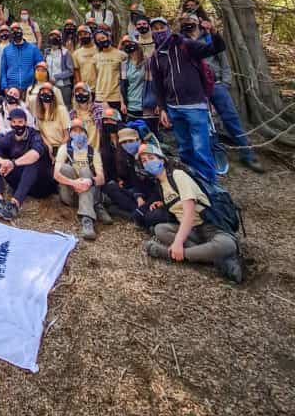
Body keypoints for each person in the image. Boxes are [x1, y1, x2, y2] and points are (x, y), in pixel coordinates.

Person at [139, 141, 242, 282]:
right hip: (191, 231)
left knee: (227, 244)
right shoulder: (161, 185)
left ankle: (169, 254)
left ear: (162, 160)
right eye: (144, 161)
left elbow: (189, 212)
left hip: (210, 226)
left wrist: (177, 243)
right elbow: (177, 204)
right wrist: (163, 203)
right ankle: (214, 259)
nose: (148, 163)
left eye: (151, 158)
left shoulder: (178, 175)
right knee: (160, 229)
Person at [149, 15, 226, 182]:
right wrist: (162, 109)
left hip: (195, 106)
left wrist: (212, 31)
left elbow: (216, 48)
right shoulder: (155, 57)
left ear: (168, 28)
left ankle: (210, 184)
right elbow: (158, 86)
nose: (159, 31)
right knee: (184, 148)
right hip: (174, 108)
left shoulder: (185, 45)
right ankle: (192, 181)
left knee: (201, 149)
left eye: (161, 27)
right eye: (155, 29)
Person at [189, 16, 264, 173]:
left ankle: (247, 154)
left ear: (198, 22)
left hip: (216, 85)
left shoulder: (209, 37)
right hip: (196, 87)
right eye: (186, 21)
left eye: (193, 20)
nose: (190, 23)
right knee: (205, 122)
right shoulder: (182, 41)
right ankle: (214, 155)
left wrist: (225, 83)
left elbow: (223, 60)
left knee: (231, 118)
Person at [54, 116, 107, 241]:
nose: (78, 134)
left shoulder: (93, 152)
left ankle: (87, 219)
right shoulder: (64, 149)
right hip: (70, 193)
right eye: (74, 131)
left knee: (86, 171)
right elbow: (55, 174)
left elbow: (102, 178)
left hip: (87, 190)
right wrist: (74, 183)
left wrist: (90, 181)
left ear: (86, 133)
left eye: (81, 131)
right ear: (70, 133)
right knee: (64, 168)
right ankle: (96, 204)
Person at [102, 126, 161, 227]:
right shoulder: (129, 156)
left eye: (130, 141)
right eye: (124, 143)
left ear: (138, 140)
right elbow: (135, 180)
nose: (127, 145)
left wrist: (145, 204)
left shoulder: (149, 154)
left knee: (151, 216)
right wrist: (138, 196)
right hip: (141, 193)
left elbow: (159, 185)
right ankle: (136, 212)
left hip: (156, 195)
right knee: (110, 187)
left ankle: (132, 214)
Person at [0, 23, 45, 95]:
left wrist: (38, 85)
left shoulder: (33, 48)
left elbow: (41, 67)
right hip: (11, 89)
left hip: (30, 88)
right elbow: (3, 71)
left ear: (22, 31)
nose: (15, 31)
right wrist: (5, 87)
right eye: (12, 30)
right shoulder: (6, 50)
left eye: (17, 29)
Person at [31, 81, 71, 154]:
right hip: (45, 146)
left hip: (61, 146)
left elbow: (67, 135)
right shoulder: (37, 110)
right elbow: (41, 133)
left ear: (53, 94)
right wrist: (49, 147)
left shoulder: (61, 110)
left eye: (48, 91)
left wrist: (60, 151)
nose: (45, 93)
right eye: (43, 91)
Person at [44, 29, 74, 107]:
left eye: (56, 36)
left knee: (64, 107)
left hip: (63, 86)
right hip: (49, 85)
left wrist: (56, 77)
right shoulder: (46, 52)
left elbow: (70, 71)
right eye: (52, 36)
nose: (54, 38)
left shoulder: (65, 52)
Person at [72, 25, 97, 91]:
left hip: (100, 88)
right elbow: (76, 71)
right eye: (80, 35)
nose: (83, 36)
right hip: (85, 89)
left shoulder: (99, 49)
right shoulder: (76, 53)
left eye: (85, 34)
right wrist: (80, 86)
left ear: (91, 35)